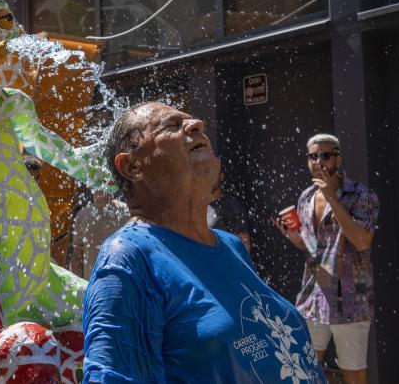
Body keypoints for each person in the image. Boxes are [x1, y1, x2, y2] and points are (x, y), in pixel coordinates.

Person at [83, 102, 325, 383]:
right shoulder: (127, 260)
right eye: (171, 126)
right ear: (132, 166)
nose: (197, 125)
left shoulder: (231, 246)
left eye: (194, 122)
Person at [272, 134, 379, 384]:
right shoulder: (306, 197)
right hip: (313, 297)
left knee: (353, 374)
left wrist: (331, 196)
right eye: (313, 156)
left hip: (350, 300)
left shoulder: (360, 194)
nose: (319, 161)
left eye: (326, 155)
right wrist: (291, 236)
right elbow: (312, 248)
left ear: (338, 158)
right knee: (305, 368)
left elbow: (362, 241)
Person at [69, 189, 128, 278]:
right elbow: (77, 257)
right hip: (92, 284)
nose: (103, 194)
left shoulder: (125, 212)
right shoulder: (83, 215)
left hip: (118, 282)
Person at [208, 167, 251, 251]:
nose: (210, 177)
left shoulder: (232, 206)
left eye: (214, 173)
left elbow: (244, 247)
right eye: (207, 173)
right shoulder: (199, 206)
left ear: (221, 176)